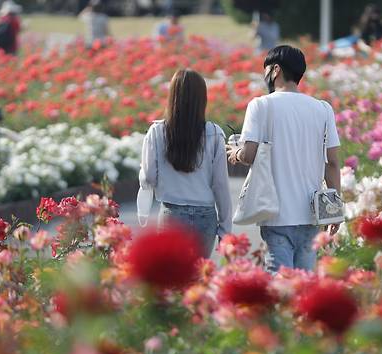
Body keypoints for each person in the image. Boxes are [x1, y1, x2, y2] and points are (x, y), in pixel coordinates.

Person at [226, 45, 341, 273]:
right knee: (304, 288)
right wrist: (335, 209)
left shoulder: (261, 105)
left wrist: (234, 153)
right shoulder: (322, 109)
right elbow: (333, 163)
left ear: (276, 69)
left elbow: (249, 154)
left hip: (276, 215)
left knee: (280, 289)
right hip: (311, 215)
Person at [138, 69, 232, 257]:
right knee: (198, 277)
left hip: (172, 214)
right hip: (205, 215)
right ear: (202, 99)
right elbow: (221, 184)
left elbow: (148, 177)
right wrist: (225, 229)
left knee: (173, 278)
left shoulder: (157, 131)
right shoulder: (214, 133)